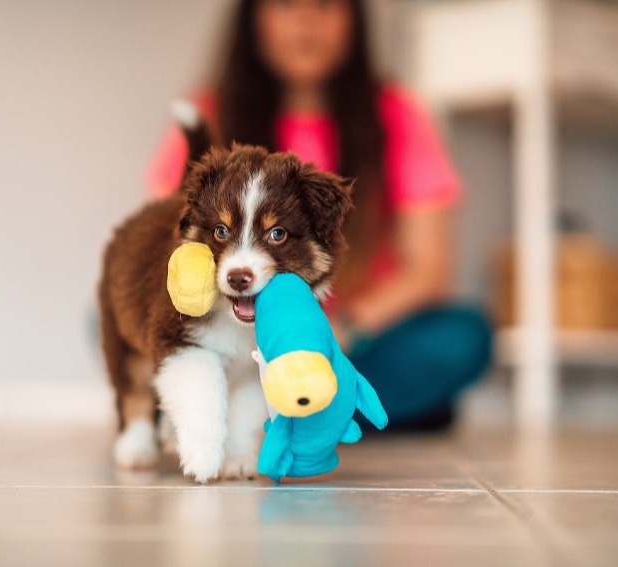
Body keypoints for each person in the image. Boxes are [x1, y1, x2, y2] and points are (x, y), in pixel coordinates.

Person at [147, 0, 492, 431]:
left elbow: (428, 271)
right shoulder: (208, 115)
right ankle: (336, 412)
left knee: (462, 337)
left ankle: (281, 410)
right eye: (287, 5)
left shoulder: (396, 113)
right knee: (114, 316)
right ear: (254, 19)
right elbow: (168, 250)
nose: (307, 21)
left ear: (353, 20)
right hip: (230, 333)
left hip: (349, 338)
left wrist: (337, 330)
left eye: (326, 5)